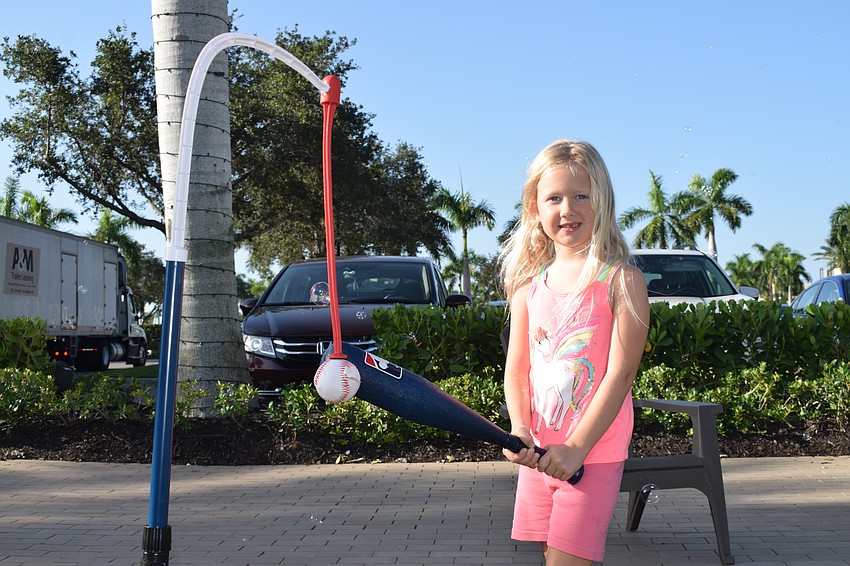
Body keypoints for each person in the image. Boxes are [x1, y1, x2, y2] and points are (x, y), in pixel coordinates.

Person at [499, 139, 650, 565]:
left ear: (601, 202)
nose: (568, 209)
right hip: (540, 455)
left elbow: (619, 376)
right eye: (554, 198)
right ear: (535, 207)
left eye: (581, 195)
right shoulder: (527, 290)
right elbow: (517, 371)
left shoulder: (623, 282)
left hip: (591, 456)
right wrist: (520, 429)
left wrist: (577, 448)